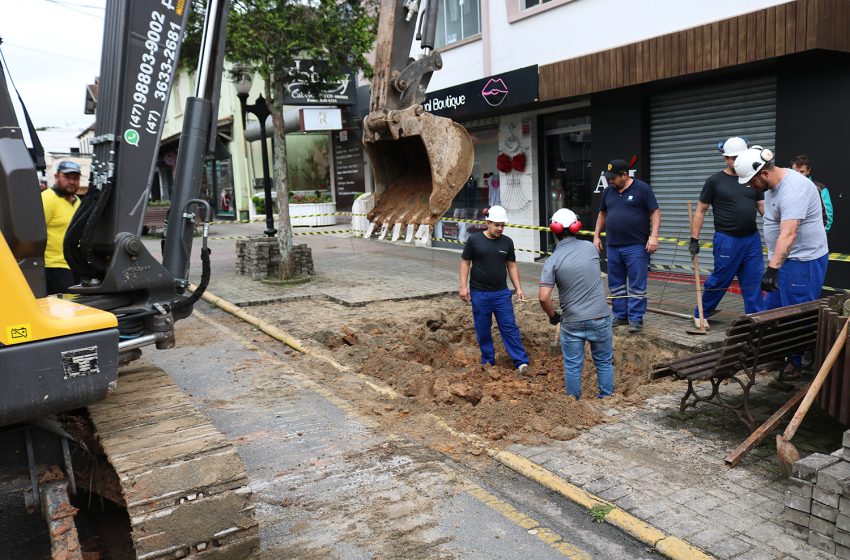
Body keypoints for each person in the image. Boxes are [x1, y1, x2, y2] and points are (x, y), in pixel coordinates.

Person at [734, 147, 829, 370]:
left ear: (764, 174)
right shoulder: (772, 185)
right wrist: (774, 263)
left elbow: (789, 233)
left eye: (751, 182)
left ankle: (795, 364)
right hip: (785, 259)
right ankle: (778, 354)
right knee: (774, 311)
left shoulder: (794, 189)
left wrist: (773, 268)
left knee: (796, 313)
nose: (750, 187)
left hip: (802, 260)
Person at [689, 137, 765, 328]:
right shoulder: (715, 181)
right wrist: (694, 239)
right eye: (731, 158)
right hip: (727, 239)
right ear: (725, 159)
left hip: (752, 239)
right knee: (721, 278)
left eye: (738, 156)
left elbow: (763, 207)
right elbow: (700, 211)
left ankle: (755, 318)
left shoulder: (752, 178)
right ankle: (701, 313)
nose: (735, 161)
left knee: (754, 280)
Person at [539, 208, 614, 399]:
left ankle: (574, 404)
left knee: (573, 365)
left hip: (572, 321)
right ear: (577, 227)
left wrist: (553, 316)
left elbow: (543, 297)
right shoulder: (590, 248)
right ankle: (607, 399)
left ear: (553, 229)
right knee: (604, 362)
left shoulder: (552, 261)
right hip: (599, 316)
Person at [459, 205, 530, 373]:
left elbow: (512, 266)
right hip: (479, 293)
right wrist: (463, 286)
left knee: (509, 327)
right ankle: (488, 361)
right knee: (483, 328)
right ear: (487, 222)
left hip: (501, 294)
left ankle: (520, 362)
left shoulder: (507, 242)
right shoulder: (474, 240)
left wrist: (518, 288)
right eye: (497, 225)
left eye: (502, 225)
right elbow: (465, 262)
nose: (500, 228)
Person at [593, 159, 661, 333]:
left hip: (636, 246)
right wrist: (596, 236)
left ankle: (636, 318)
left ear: (624, 175)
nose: (610, 181)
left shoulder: (642, 188)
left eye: (613, 177)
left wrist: (653, 236)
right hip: (613, 246)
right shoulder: (608, 192)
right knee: (616, 284)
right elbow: (602, 214)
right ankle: (620, 315)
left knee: (637, 284)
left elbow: (655, 211)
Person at [41, 160, 82, 294]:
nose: (71, 181)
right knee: (65, 309)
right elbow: (35, 233)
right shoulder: (47, 199)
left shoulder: (77, 201)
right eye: (67, 177)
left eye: (75, 178)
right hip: (54, 266)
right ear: (56, 177)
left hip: (73, 265)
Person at [790, 155, 832, 233]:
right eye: (795, 171)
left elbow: (827, 216)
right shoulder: (784, 188)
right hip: (789, 236)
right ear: (790, 170)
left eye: (802, 171)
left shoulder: (819, 188)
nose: (798, 175)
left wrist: (820, 234)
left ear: (808, 171)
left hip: (813, 237)